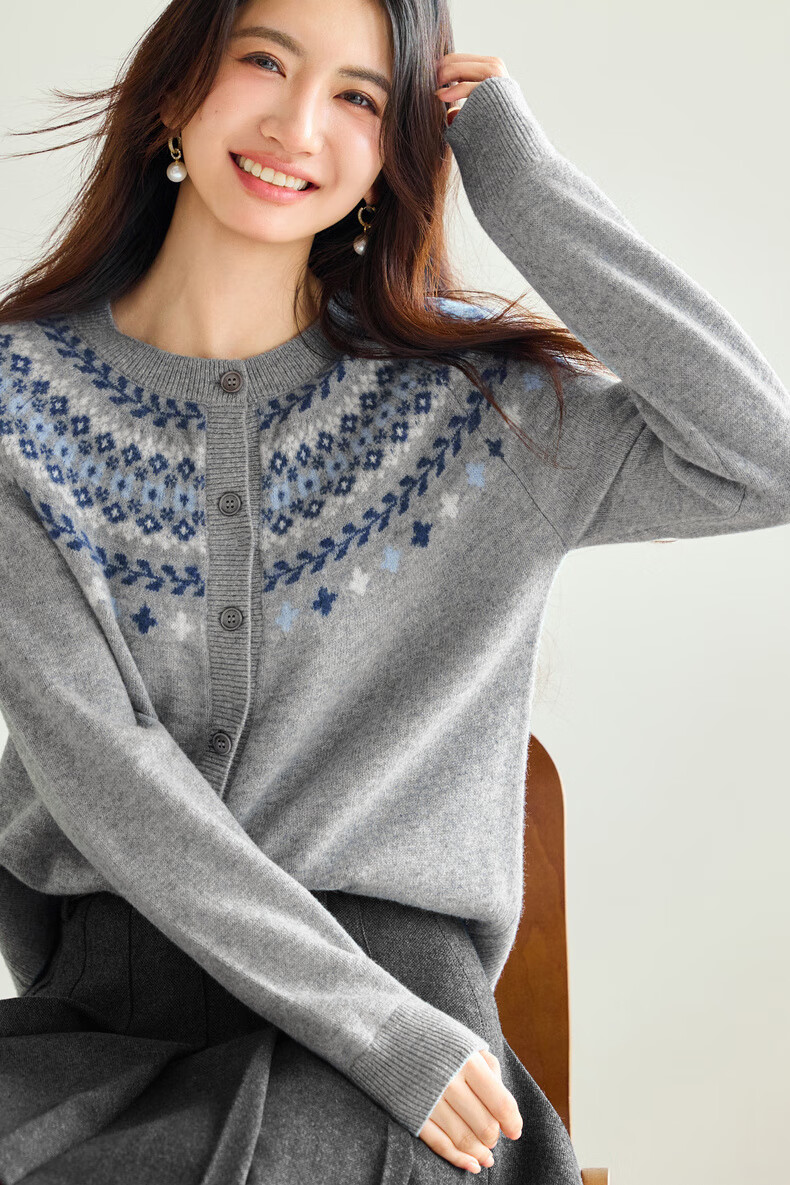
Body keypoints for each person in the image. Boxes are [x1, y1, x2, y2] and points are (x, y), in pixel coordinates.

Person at [0, 0, 788, 1181]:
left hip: (402, 1023)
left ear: (394, 152)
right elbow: (99, 765)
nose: (297, 124)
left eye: (360, 98)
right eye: (262, 60)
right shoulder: (16, 406)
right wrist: (377, 1033)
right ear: (174, 89)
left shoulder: (481, 411)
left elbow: (759, 461)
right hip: (110, 1021)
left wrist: (519, 181)